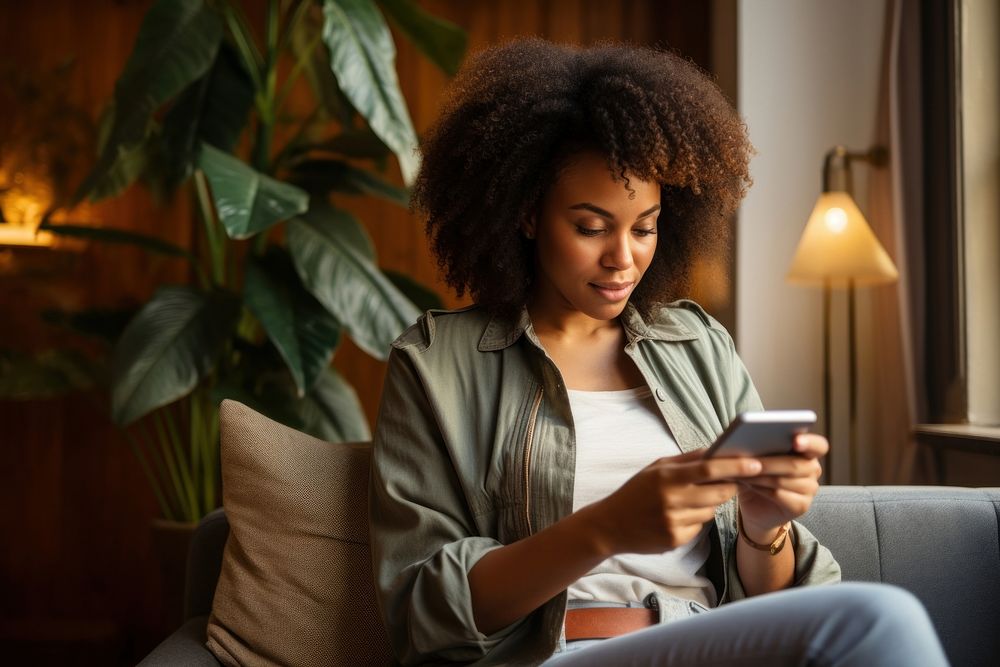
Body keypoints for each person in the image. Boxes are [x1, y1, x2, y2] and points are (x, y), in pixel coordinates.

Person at [369, 39, 949, 666]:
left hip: (715, 644)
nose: (624, 258)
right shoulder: (437, 363)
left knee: (870, 619)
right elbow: (423, 609)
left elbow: (774, 595)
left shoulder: (697, 345)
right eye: (591, 227)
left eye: (644, 227)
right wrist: (607, 526)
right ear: (529, 215)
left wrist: (763, 525)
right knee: (880, 616)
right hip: (558, 654)